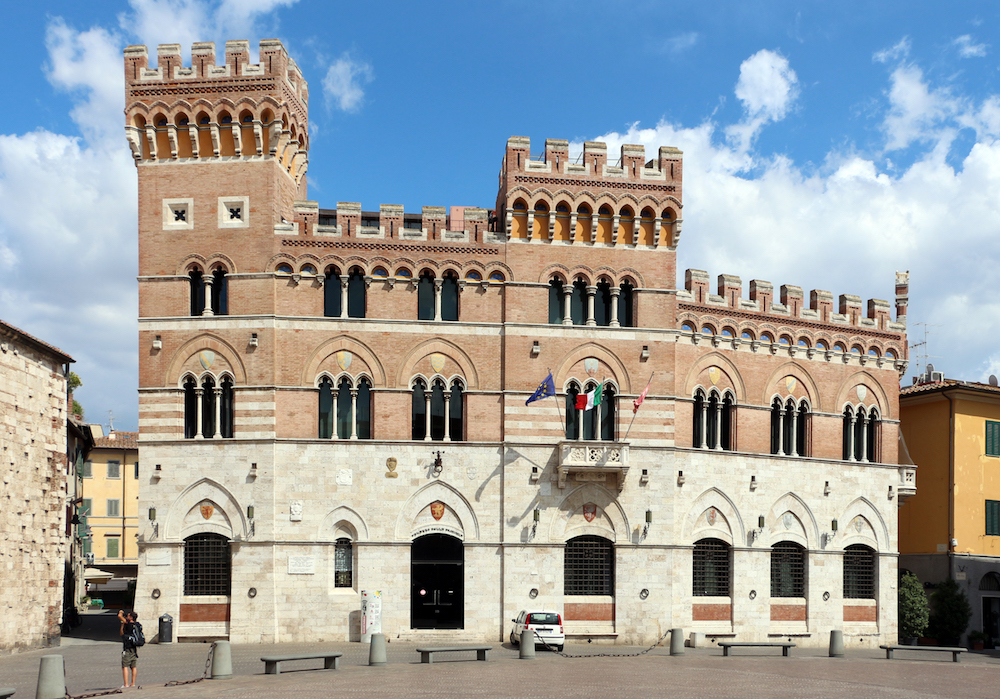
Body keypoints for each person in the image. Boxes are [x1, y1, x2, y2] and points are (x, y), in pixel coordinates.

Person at [118, 609, 140, 689]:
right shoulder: (137, 625)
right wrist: (122, 624)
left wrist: (121, 612)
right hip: (134, 648)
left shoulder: (128, 624)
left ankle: (126, 684)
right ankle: (133, 683)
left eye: (127, 616)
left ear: (131, 618)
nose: (126, 617)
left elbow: (119, 616)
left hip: (127, 648)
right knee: (133, 666)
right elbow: (122, 633)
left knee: (125, 666)